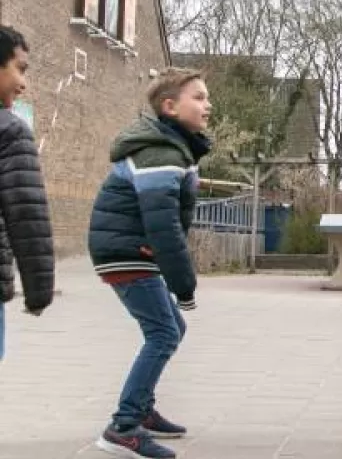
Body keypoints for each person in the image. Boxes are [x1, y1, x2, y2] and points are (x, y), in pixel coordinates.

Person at [89, 67, 212, 459]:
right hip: (128, 251)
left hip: (129, 249)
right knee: (164, 333)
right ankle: (123, 427)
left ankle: (141, 409)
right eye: (199, 97)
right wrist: (184, 284)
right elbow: (163, 226)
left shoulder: (172, 145)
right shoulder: (160, 152)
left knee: (170, 326)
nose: (208, 105)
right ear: (170, 106)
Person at [0, 25, 54, 362]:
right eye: (19, 68)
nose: (24, 83)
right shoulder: (11, 131)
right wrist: (38, 292)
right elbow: (27, 215)